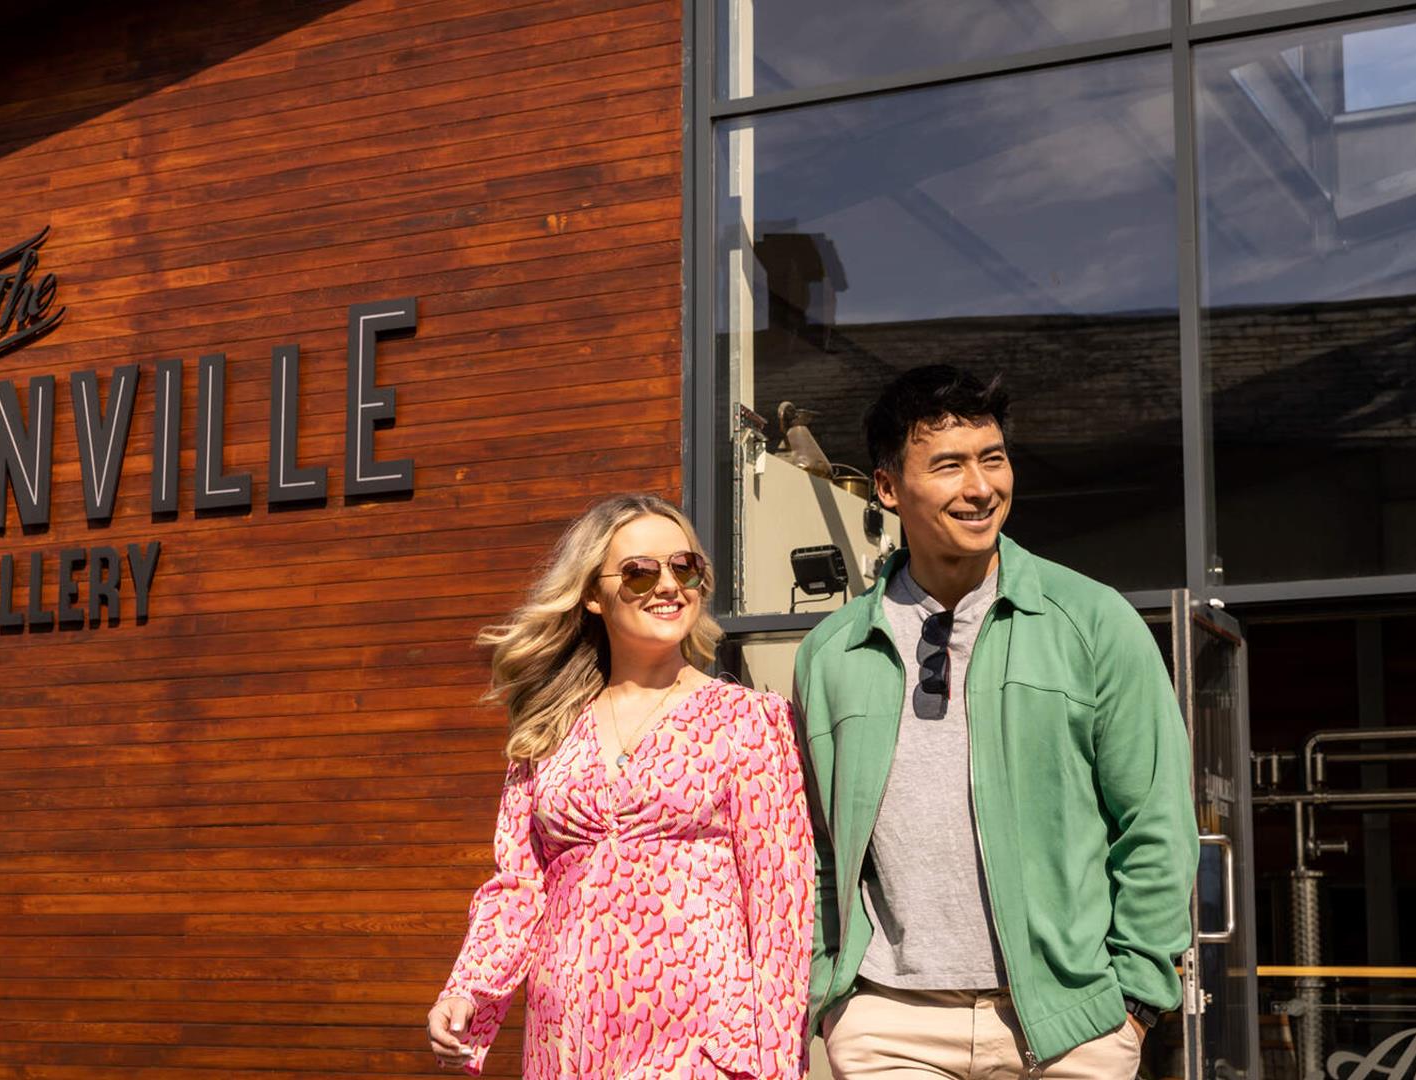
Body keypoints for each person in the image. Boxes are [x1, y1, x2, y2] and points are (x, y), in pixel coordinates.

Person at [794, 365, 1198, 1078]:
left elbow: (1156, 823)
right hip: (890, 1023)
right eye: (948, 465)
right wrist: (835, 994)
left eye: (993, 458)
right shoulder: (832, 654)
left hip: (1071, 1025)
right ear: (888, 488)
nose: (981, 487)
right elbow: (820, 847)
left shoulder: (1093, 622)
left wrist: (1133, 1000)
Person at [426, 493, 813, 1078]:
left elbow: (781, 904)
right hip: (569, 1038)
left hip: (706, 1044)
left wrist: (775, 1061)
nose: (668, 585)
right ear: (591, 594)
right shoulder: (550, 728)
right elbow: (518, 887)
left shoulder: (751, 720)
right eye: (639, 572)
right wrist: (469, 990)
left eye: (684, 567)